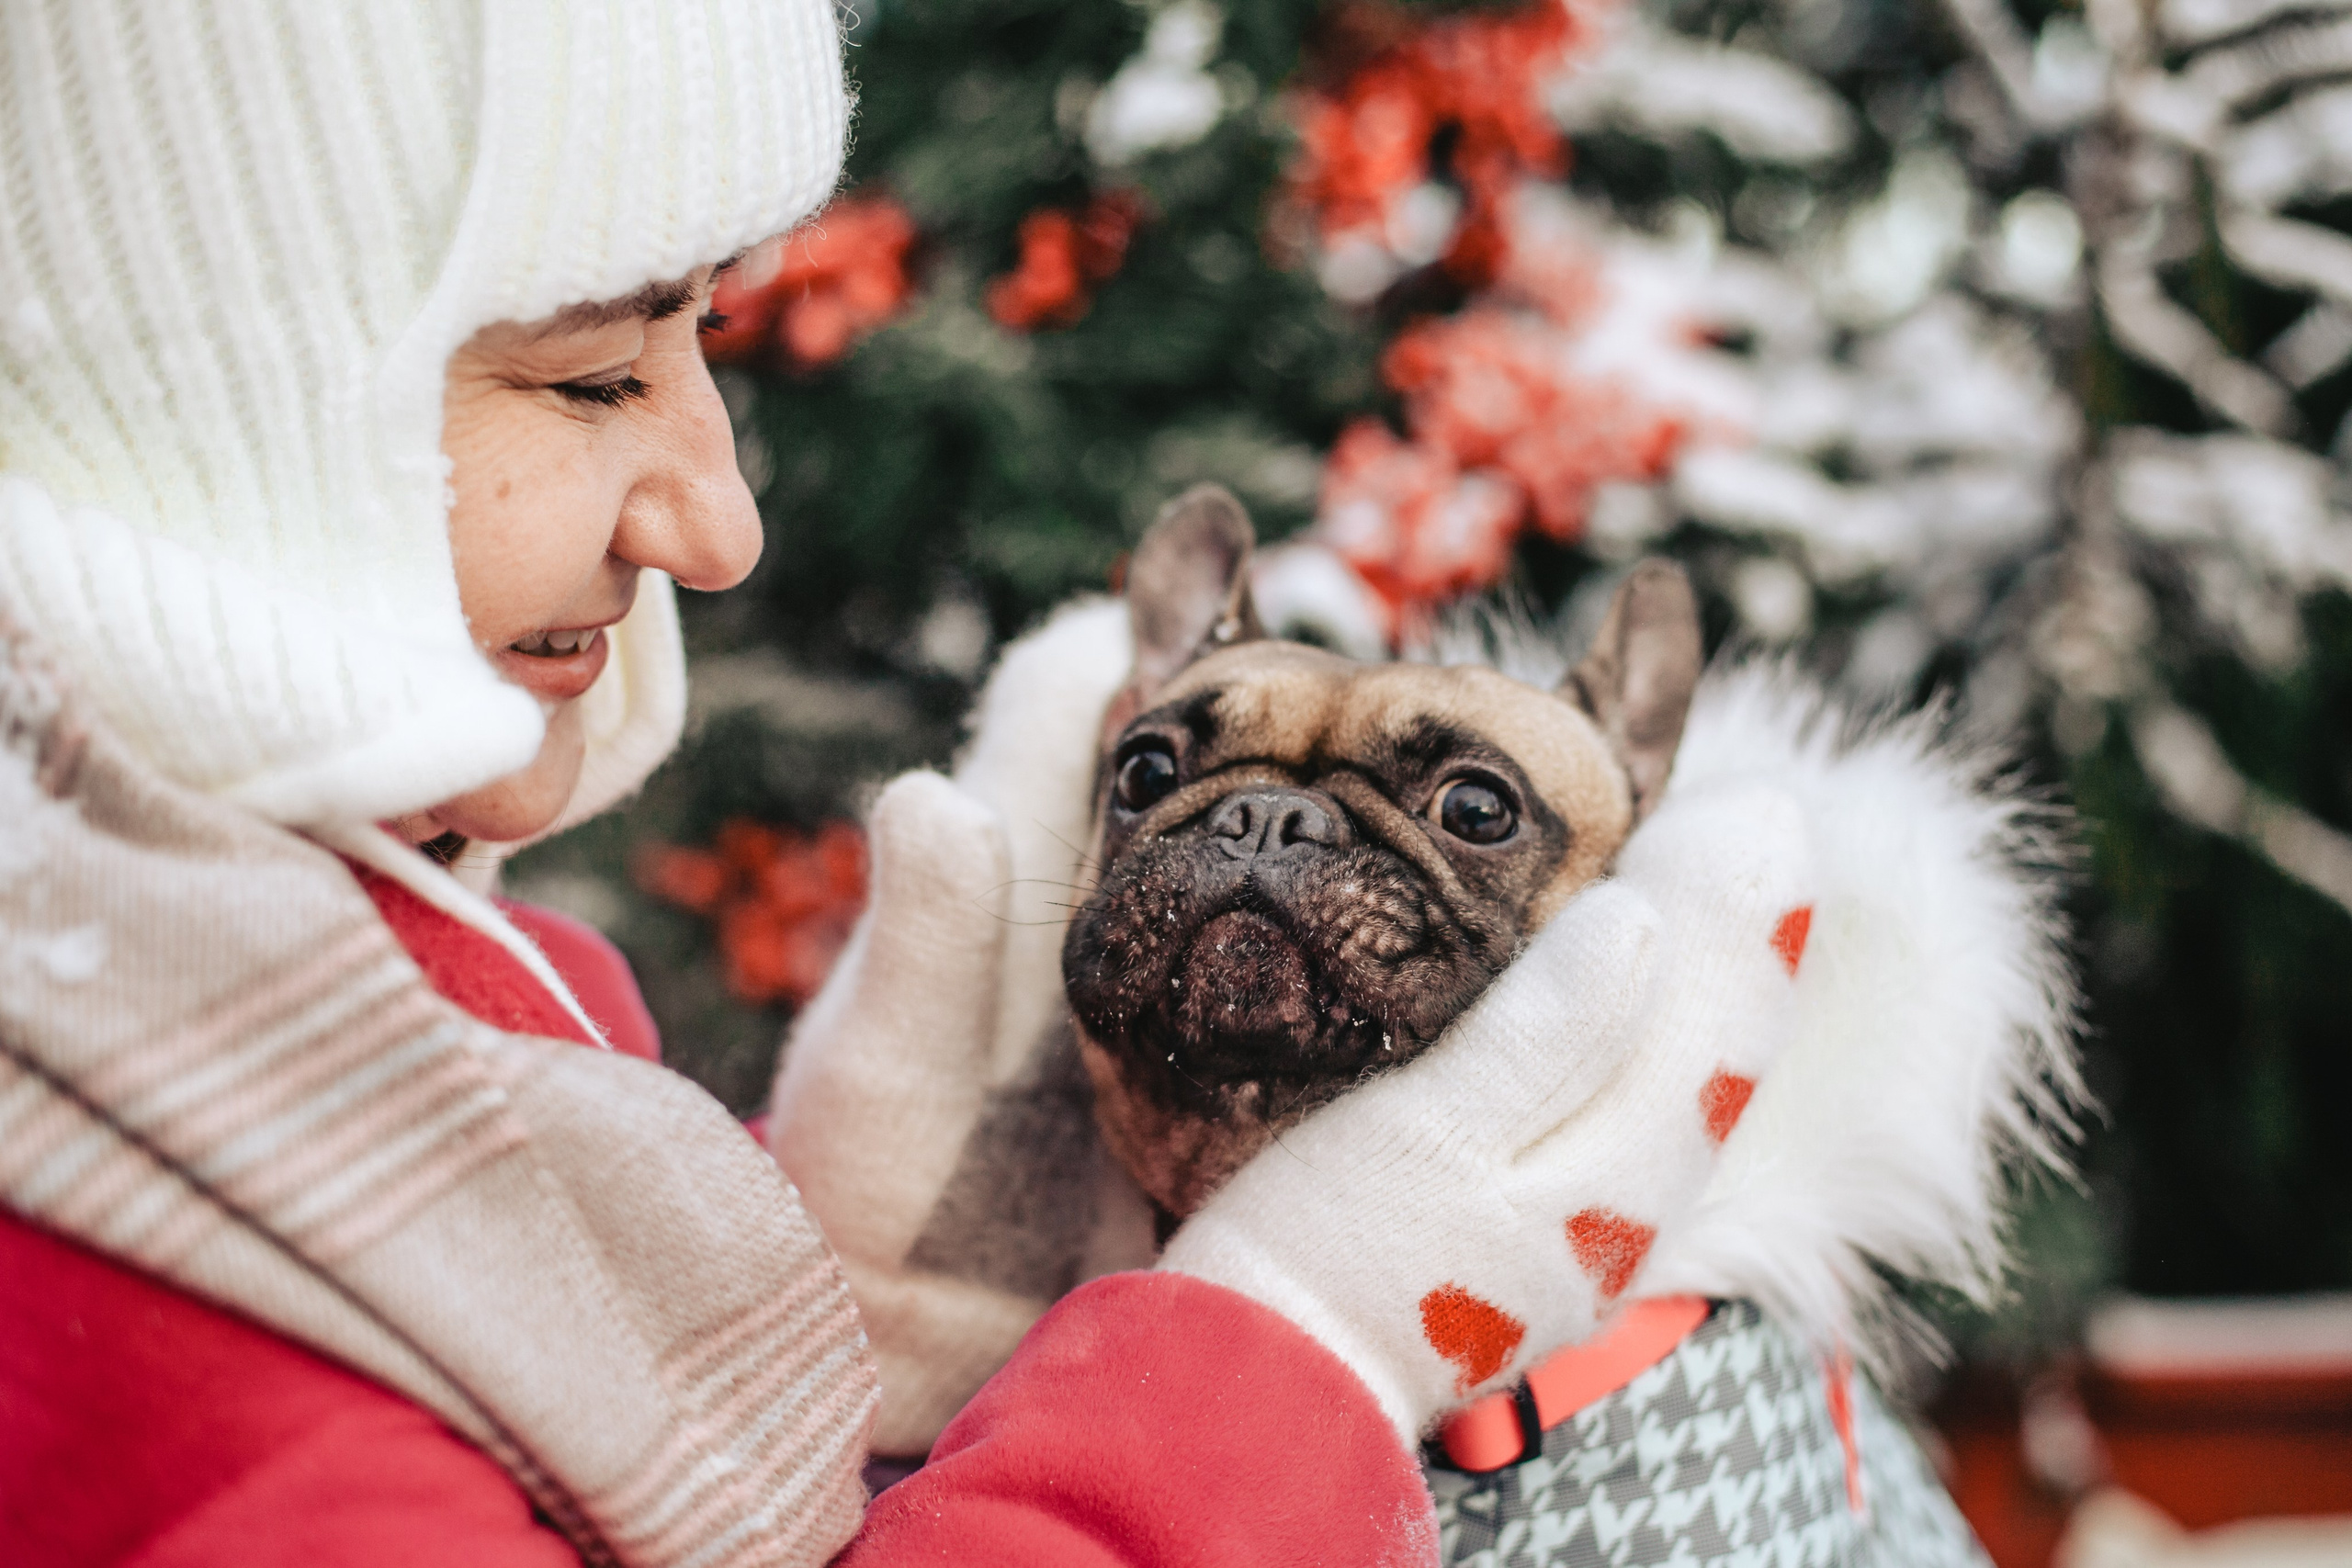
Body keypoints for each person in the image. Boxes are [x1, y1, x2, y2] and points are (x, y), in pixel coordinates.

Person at [0, 5, 1809, 1565]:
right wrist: (1290, 1343)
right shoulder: (140, 1263)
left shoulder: (427, 955)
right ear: (201, 402)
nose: (723, 521)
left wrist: (841, 1300)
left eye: (702, 338)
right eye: (585, 373)